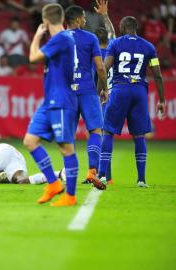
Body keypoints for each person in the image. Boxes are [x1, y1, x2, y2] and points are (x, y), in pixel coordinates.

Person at [23, 3, 103, 207]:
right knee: (30, 141)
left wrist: (37, 36)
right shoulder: (62, 39)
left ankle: (70, 195)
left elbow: (33, 57)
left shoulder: (61, 39)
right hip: (50, 100)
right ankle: (53, 183)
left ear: (45, 20)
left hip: (61, 100)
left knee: (65, 148)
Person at [97, 16, 166, 188]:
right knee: (139, 135)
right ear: (136, 28)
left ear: (122, 27)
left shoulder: (116, 44)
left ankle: (103, 176)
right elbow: (157, 74)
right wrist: (162, 100)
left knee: (108, 132)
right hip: (139, 92)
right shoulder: (149, 47)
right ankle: (141, 179)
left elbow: (104, 68)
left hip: (120, 89)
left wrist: (103, 90)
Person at [64, 3, 108, 184]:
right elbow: (100, 67)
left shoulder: (59, 38)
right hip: (88, 90)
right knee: (96, 130)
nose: (85, 19)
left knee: (69, 133)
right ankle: (92, 172)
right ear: (76, 19)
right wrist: (104, 88)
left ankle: (69, 173)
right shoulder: (90, 38)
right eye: (83, 16)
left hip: (67, 91)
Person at [92, 0, 116, 185]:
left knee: (98, 136)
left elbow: (97, 75)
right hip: (115, 93)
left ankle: (101, 174)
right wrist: (105, 15)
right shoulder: (114, 47)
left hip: (99, 96)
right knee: (106, 136)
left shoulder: (93, 54)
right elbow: (113, 32)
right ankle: (107, 176)